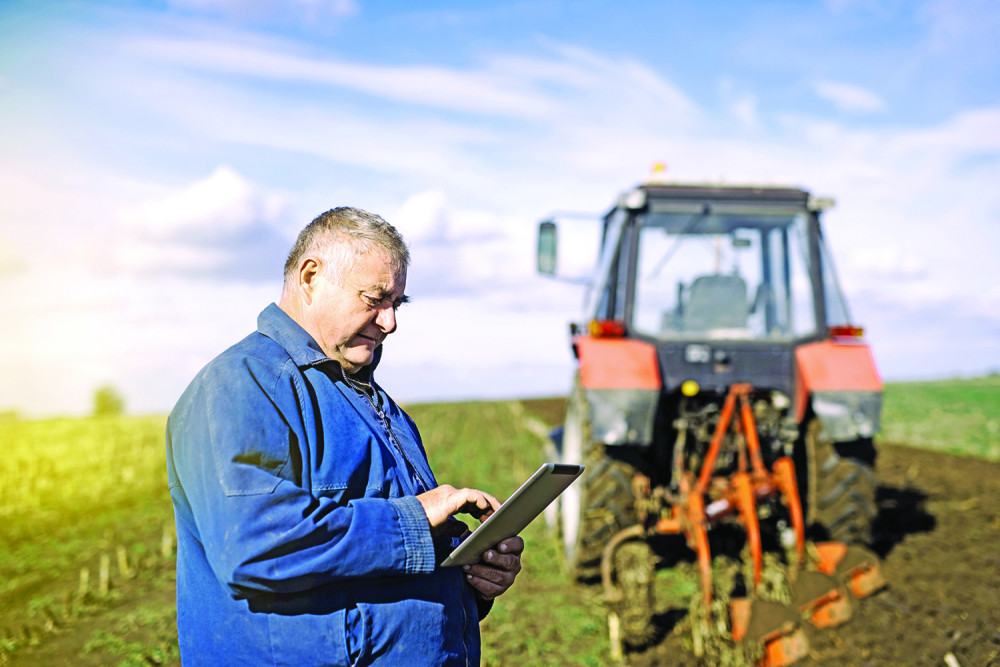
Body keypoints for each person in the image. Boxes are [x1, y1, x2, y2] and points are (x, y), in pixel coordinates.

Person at [165, 206, 523, 666]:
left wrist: (471, 577)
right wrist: (415, 519)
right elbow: (255, 543)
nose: (390, 322)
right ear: (310, 277)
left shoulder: (376, 403)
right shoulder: (241, 385)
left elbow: (379, 567)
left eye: (397, 304)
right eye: (375, 299)